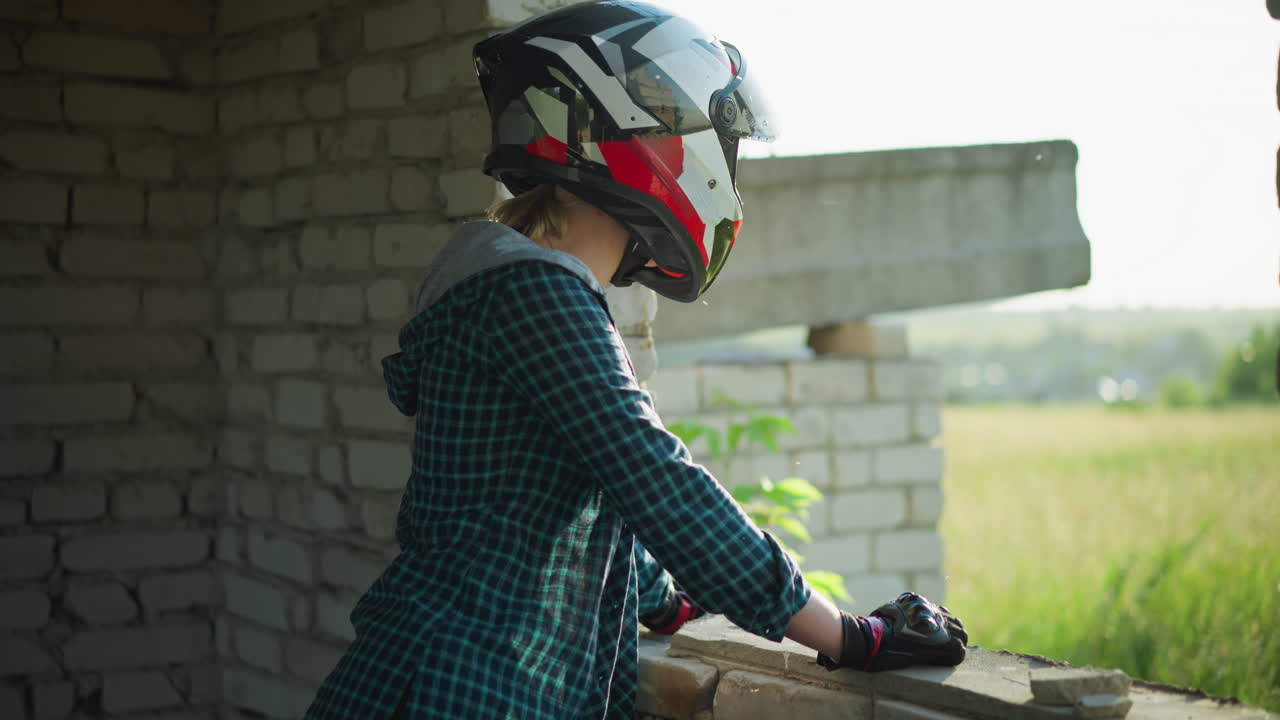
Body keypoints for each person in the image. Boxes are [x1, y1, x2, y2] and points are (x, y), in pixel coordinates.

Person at [304, 2, 967, 718]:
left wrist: (663, 599)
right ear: (648, 136)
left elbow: (558, 487)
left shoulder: (508, 285)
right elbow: (654, 476)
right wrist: (850, 635)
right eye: (719, 143)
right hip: (461, 688)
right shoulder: (535, 292)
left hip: (432, 670)